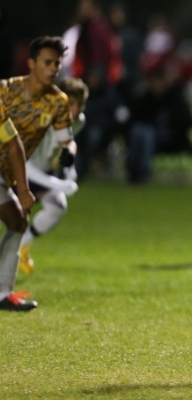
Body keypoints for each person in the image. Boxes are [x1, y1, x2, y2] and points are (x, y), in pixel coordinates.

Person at [0, 36, 73, 311]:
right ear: (31, 64)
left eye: (57, 63)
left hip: (6, 173)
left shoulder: (57, 101)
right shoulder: (7, 90)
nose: (54, 68)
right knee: (18, 219)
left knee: (18, 221)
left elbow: (14, 143)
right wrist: (23, 189)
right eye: (48, 62)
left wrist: (71, 153)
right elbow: (14, 143)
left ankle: (2, 293)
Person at [19, 77, 88, 275]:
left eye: (80, 105)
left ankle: (23, 245)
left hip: (42, 171)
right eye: (71, 104)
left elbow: (65, 147)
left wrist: (68, 170)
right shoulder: (40, 119)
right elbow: (24, 164)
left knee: (57, 208)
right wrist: (57, 184)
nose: (75, 110)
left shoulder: (78, 121)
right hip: (14, 172)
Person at [126, 67, 192, 184]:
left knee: (146, 135)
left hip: (168, 138)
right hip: (147, 133)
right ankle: (133, 171)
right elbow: (135, 116)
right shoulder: (146, 98)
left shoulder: (175, 99)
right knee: (138, 131)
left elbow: (186, 121)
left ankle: (142, 174)